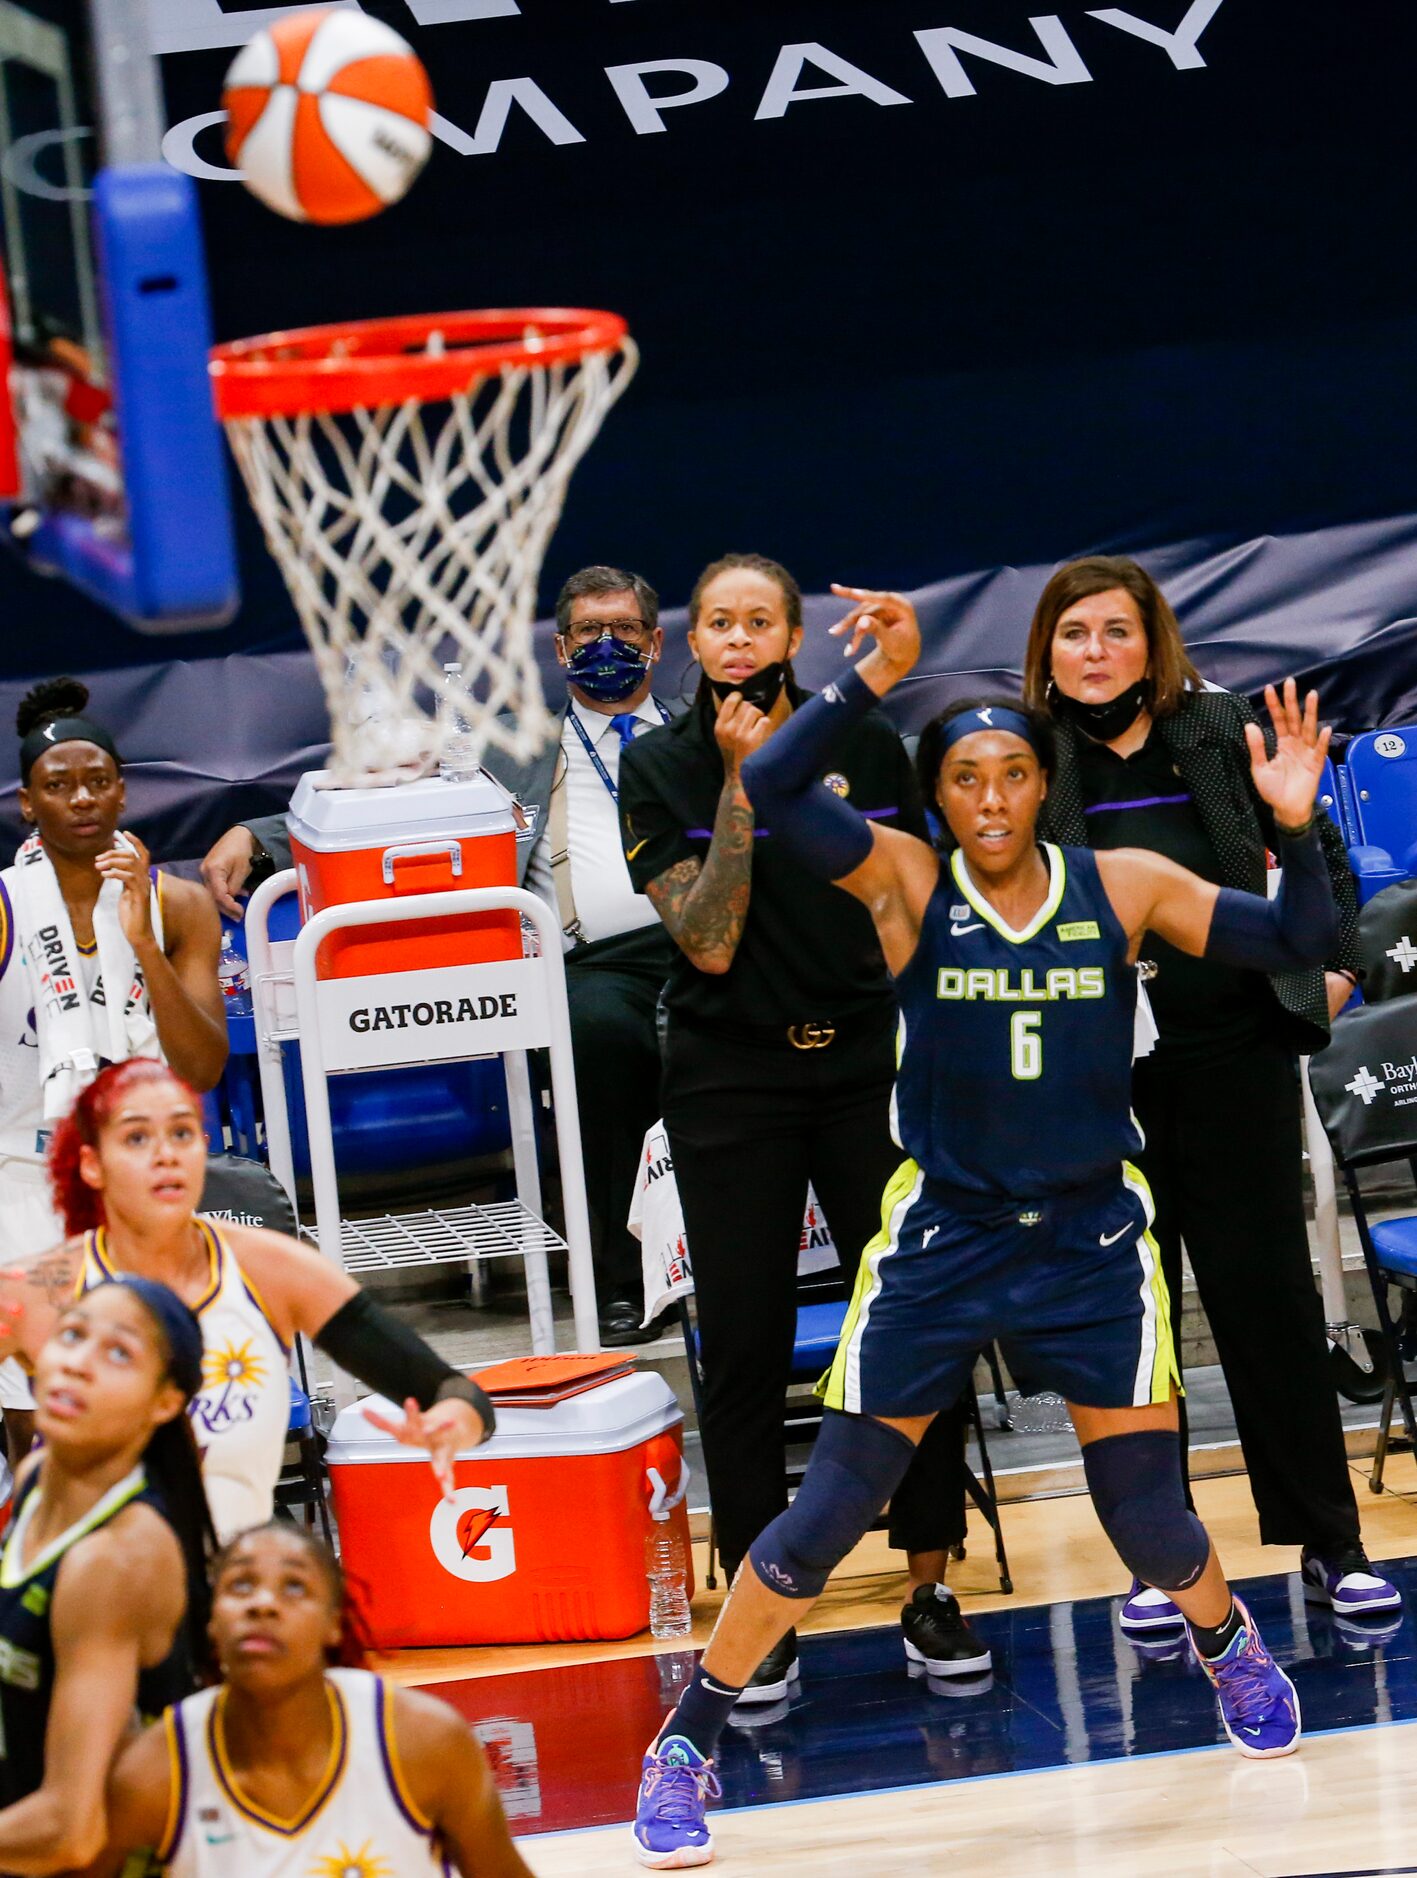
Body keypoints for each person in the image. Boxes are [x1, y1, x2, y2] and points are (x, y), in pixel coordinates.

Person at [630, 587, 1339, 1868]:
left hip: (1088, 1238)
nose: (997, 798)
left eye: (1016, 771)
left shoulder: (1123, 884)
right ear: (938, 799)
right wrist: (862, 680)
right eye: (968, 779)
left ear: (1037, 781)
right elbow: (783, 788)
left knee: (1150, 1520)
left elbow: (1301, 935)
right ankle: (685, 1743)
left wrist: (1302, 824)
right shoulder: (901, 882)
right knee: (828, 1510)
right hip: (946, 1235)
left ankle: (1230, 1646)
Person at [618, 553, 983, 1709]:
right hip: (729, 1080)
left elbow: (910, 899)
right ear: (691, 642)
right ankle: (758, 1606)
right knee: (742, 1340)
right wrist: (742, 785)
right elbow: (708, 941)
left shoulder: (864, 746)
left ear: (788, 636)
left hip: (866, 1064)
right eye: (715, 621)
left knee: (918, 1316)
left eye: (757, 620)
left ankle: (930, 1581)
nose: (735, 639)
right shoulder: (660, 762)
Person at [1021, 555, 1396, 1630]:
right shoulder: (1022, 756)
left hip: (1232, 1058)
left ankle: (1331, 1544)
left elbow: (1321, 860)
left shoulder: (1222, 728)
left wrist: (1322, 968)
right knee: (1131, 1329)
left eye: (1115, 632)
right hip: (1098, 1082)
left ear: (1153, 641)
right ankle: (1160, 1561)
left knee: (1270, 1307)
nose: (1095, 653)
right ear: (1046, 650)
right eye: (1074, 634)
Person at [201, 565, 683, 1346]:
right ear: (560, 650)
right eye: (589, 632)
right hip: (592, 966)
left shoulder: (707, 729)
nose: (606, 645)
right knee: (593, 1040)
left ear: (656, 644)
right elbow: (387, 793)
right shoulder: (514, 747)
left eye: (623, 630)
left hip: (706, 944)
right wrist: (252, 836)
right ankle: (623, 1281)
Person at [2, 1056, 496, 1542]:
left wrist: (454, 1423)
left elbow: (455, 1393)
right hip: (93, 1597)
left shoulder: (274, 1270)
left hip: (236, 1590)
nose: (165, 1154)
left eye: (181, 1133)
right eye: (136, 1138)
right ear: (91, 1164)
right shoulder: (37, 1289)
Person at [0, 677, 228, 1472]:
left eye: (97, 780)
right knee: (45, 1425)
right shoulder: (1, 905)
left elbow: (200, 1065)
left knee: (165, 1404)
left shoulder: (181, 906)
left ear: (124, 792)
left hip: (142, 1177)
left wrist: (138, 943)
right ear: (27, 805)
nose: (81, 799)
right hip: (24, 1175)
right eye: (57, 786)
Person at [86, 1521, 534, 1877]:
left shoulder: (424, 1740)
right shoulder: (156, 1768)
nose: (262, 1604)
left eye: (295, 1587)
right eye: (240, 1586)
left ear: (333, 1625)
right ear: (212, 1624)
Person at [0, 1276, 212, 1873]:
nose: (77, 1365)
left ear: (165, 1402)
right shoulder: (38, 1477)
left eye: (118, 1353)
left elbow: (71, 1826)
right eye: (72, 1335)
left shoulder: (114, 1561)